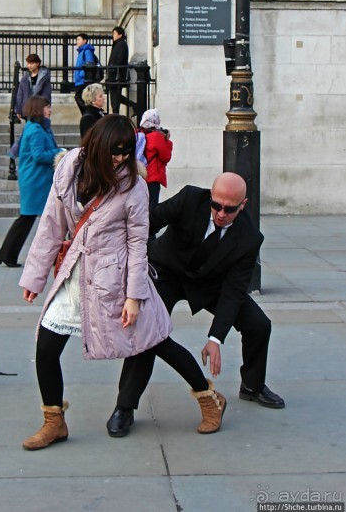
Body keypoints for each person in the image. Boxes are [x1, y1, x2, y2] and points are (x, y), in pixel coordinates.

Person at [18, 115, 226, 451]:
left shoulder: (134, 186)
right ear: (96, 145)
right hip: (74, 274)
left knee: (157, 341)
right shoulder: (71, 167)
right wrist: (35, 275)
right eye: (115, 151)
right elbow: (52, 223)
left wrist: (134, 297)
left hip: (116, 279)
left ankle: (208, 398)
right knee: (46, 347)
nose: (120, 158)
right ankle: (53, 421)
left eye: (127, 151)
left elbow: (137, 244)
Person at [106, 172, 285, 438]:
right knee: (147, 332)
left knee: (259, 325)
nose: (221, 213)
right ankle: (125, 407)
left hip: (210, 283)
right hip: (166, 272)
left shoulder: (250, 238)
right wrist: (136, 261)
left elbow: (234, 292)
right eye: (216, 205)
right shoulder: (190, 198)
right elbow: (146, 223)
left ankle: (252, 385)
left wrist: (216, 338)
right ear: (210, 197)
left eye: (230, 209)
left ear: (243, 205)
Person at [0, 96, 64, 267]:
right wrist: (60, 151)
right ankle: (8, 254)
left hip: (38, 179)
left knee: (31, 218)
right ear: (39, 109)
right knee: (30, 218)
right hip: (35, 180)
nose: (50, 110)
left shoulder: (39, 128)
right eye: (47, 107)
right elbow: (39, 155)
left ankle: (6, 254)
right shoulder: (35, 130)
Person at [139, 108, 173, 210]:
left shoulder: (140, 133)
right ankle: (149, 226)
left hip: (141, 175)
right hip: (152, 177)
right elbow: (166, 157)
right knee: (151, 207)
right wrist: (167, 141)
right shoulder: (156, 136)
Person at [106, 26, 136, 114]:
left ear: (120, 35)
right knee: (116, 96)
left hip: (116, 75)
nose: (113, 36)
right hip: (114, 74)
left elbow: (119, 60)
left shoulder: (122, 44)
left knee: (115, 98)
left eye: (114, 33)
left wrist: (113, 70)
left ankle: (116, 115)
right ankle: (134, 106)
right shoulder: (118, 44)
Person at [14, 54, 51, 120]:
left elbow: (46, 94)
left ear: (37, 64)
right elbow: (20, 94)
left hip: (39, 108)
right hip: (28, 108)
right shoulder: (25, 77)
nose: (29, 66)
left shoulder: (44, 77)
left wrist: (45, 108)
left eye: (31, 63)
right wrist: (18, 110)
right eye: (28, 63)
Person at [74, 33, 96, 114]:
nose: (77, 41)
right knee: (81, 98)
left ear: (85, 41)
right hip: (81, 80)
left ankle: (87, 114)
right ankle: (87, 114)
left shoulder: (87, 51)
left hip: (83, 80)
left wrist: (81, 75)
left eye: (79, 39)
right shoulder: (81, 52)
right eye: (77, 40)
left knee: (78, 97)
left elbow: (89, 64)